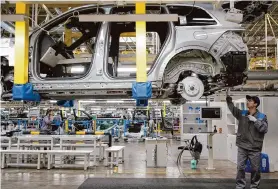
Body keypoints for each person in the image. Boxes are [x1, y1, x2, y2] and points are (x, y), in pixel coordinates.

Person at [226, 95, 268, 189]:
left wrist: (256, 121)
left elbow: (264, 129)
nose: (247, 102)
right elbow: (233, 109)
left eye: (250, 101)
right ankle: (240, 186)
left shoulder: (262, 116)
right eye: (248, 100)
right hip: (242, 146)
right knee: (240, 167)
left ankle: (254, 186)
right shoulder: (243, 113)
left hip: (255, 148)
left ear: (256, 104)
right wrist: (228, 100)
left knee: (255, 169)